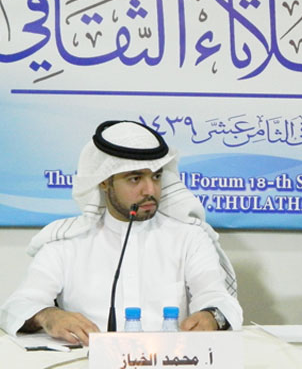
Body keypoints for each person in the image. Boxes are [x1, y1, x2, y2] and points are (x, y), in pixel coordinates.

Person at [0, 120, 243, 345]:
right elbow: (17, 306)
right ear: (104, 182)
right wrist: (48, 315)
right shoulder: (66, 244)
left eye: (156, 176)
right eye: (135, 179)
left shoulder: (188, 237)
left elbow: (218, 298)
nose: (150, 190)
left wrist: (212, 317)